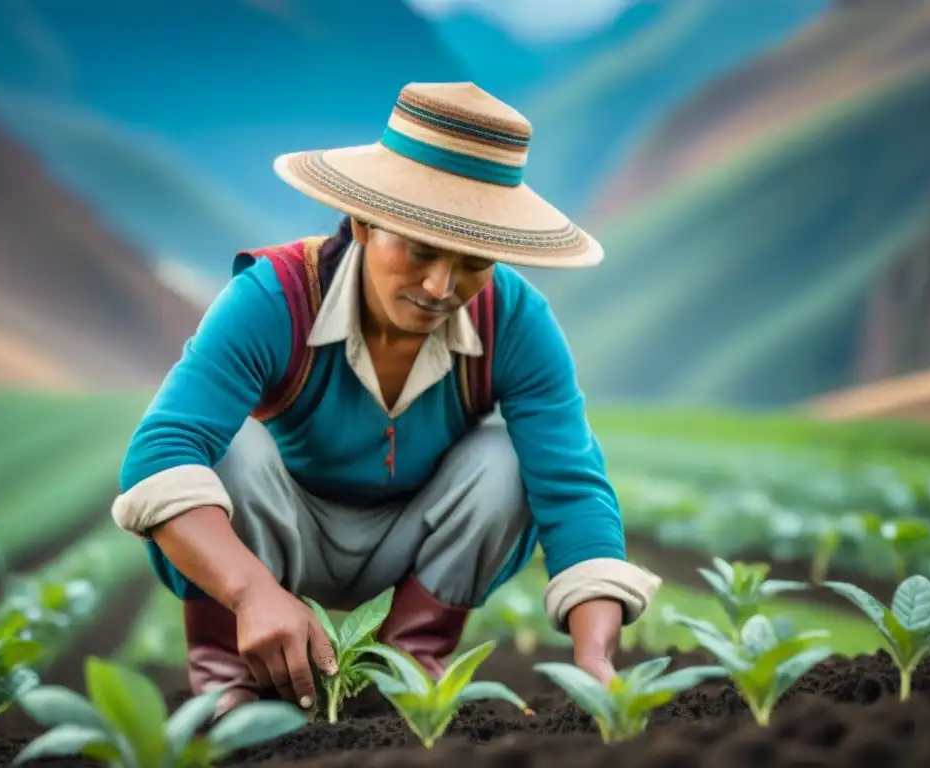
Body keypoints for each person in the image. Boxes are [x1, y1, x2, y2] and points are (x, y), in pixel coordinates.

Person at [111, 81, 661, 717]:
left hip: (414, 539)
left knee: (506, 461)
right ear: (364, 223)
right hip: (277, 532)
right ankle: (234, 679)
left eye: (474, 261)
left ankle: (404, 672)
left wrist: (594, 655)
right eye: (421, 249)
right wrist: (248, 590)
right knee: (229, 447)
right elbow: (158, 454)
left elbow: (572, 486)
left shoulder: (514, 320)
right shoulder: (276, 299)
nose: (440, 285)